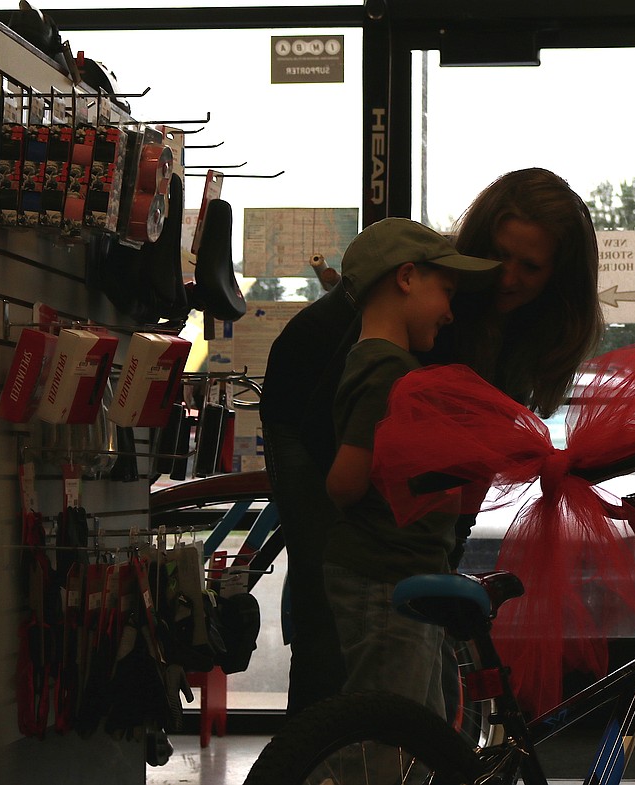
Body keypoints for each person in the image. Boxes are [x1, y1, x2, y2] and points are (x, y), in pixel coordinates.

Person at [259, 167, 604, 715]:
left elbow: (465, 459)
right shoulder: (433, 293)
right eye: (500, 254)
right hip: (312, 402)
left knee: (411, 597)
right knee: (338, 590)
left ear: (557, 278)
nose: (507, 276)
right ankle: (317, 752)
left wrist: (438, 561)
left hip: (375, 425)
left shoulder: (527, 330)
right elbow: (345, 442)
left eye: (530, 267)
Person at [320, 217, 499, 713]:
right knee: (389, 740)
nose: (450, 314)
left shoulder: (384, 366)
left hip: (400, 575)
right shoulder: (390, 375)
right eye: (445, 291)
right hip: (384, 578)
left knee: (419, 736)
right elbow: (344, 483)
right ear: (405, 278)